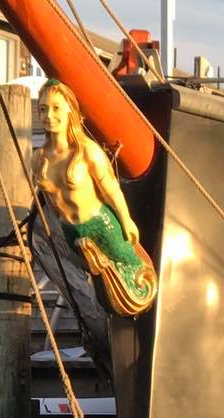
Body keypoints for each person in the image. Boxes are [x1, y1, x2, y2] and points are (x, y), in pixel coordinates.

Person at [34, 78, 156, 316]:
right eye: (43, 108)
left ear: (70, 109)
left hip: (100, 223)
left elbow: (110, 189)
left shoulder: (86, 151)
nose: (49, 114)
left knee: (132, 270)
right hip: (70, 231)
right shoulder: (38, 159)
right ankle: (108, 326)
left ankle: (133, 316)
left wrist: (125, 219)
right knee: (98, 288)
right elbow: (49, 204)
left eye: (56, 107)